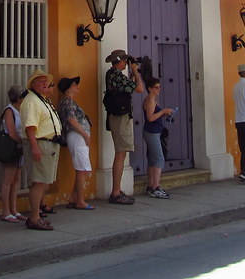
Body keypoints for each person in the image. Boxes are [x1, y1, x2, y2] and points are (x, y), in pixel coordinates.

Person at [21, 70, 63, 230]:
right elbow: (30, 127)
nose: (45, 84)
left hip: (49, 144)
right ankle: (34, 217)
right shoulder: (32, 101)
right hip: (41, 143)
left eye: (46, 81)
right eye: (40, 81)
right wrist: (34, 147)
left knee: (44, 181)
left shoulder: (42, 100)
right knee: (38, 181)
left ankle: (37, 214)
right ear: (33, 85)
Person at [103, 49, 143, 205]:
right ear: (120, 61)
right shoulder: (117, 75)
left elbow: (127, 88)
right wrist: (136, 72)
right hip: (121, 118)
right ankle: (115, 192)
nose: (126, 63)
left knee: (120, 153)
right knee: (121, 153)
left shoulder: (111, 74)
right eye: (125, 61)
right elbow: (139, 89)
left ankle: (117, 190)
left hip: (116, 116)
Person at [57, 76, 94, 210]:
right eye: (74, 85)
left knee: (81, 168)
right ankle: (80, 200)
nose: (77, 87)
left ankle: (74, 198)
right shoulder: (68, 102)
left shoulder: (69, 101)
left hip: (77, 136)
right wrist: (85, 135)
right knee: (81, 168)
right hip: (77, 136)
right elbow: (72, 120)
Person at [142, 77, 174, 197]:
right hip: (152, 132)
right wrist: (163, 111)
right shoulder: (150, 100)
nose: (158, 89)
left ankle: (151, 185)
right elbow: (150, 117)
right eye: (156, 87)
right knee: (159, 158)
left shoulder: (152, 99)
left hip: (153, 131)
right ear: (150, 88)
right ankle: (155, 186)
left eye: (159, 87)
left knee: (153, 159)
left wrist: (164, 113)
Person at [0, 85, 25, 222]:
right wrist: (22, 141)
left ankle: (14, 209)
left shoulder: (20, 110)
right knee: (8, 180)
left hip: (19, 148)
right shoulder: (10, 111)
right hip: (11, 147)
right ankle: (6, 211)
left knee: (16, 179)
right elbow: (12, 131)